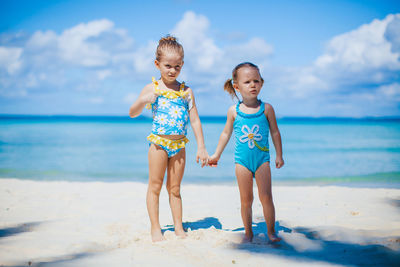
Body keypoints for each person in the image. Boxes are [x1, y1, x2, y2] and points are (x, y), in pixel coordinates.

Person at [129, 36, 209, 242]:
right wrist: (142, 100)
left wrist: (201, 147)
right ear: (157, 64)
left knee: (174, 189)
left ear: (182, 65)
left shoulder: (186, 91)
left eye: (177, 66)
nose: (172, 70)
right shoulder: (152, 88)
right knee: (155, 186)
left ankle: (178, 227)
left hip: (179, 145)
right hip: (158, 144)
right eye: (168, 66)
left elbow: (195, 120)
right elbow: (132, 113)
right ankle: (155, 228)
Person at [208, 62, 284, 243]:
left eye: (256, 81)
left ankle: (271, 231)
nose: (253, 85)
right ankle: (248, 233)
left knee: (266, 197)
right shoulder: (233, 111)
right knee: (246, 200)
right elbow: (226, 133)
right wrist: (216, 154)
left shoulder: (267, 109)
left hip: (262, 160)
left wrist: (279, 155)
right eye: (247, 82)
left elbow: (275, 132)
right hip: (242, 162)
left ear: (262, 83)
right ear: (237, 87)